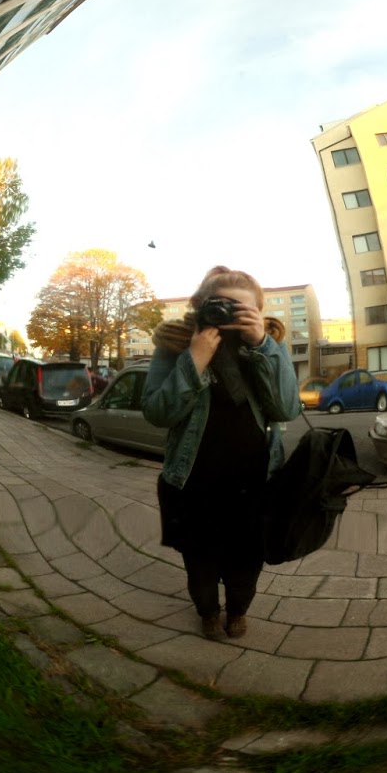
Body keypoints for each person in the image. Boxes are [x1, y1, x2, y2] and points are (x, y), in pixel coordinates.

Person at [142, 267, 302, 638]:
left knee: (247, 563)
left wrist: (261, 345)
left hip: (255, 485)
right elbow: (157, 413)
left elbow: (287, 409)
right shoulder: (175, 345)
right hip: (193, 485)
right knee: (199, 563)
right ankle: (208, 612)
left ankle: (238, 611)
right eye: (220, 306)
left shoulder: (270, 344)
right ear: (200, 306)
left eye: (240, 309)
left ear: (258, 311)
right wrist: (195, 358)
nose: (228, 316)